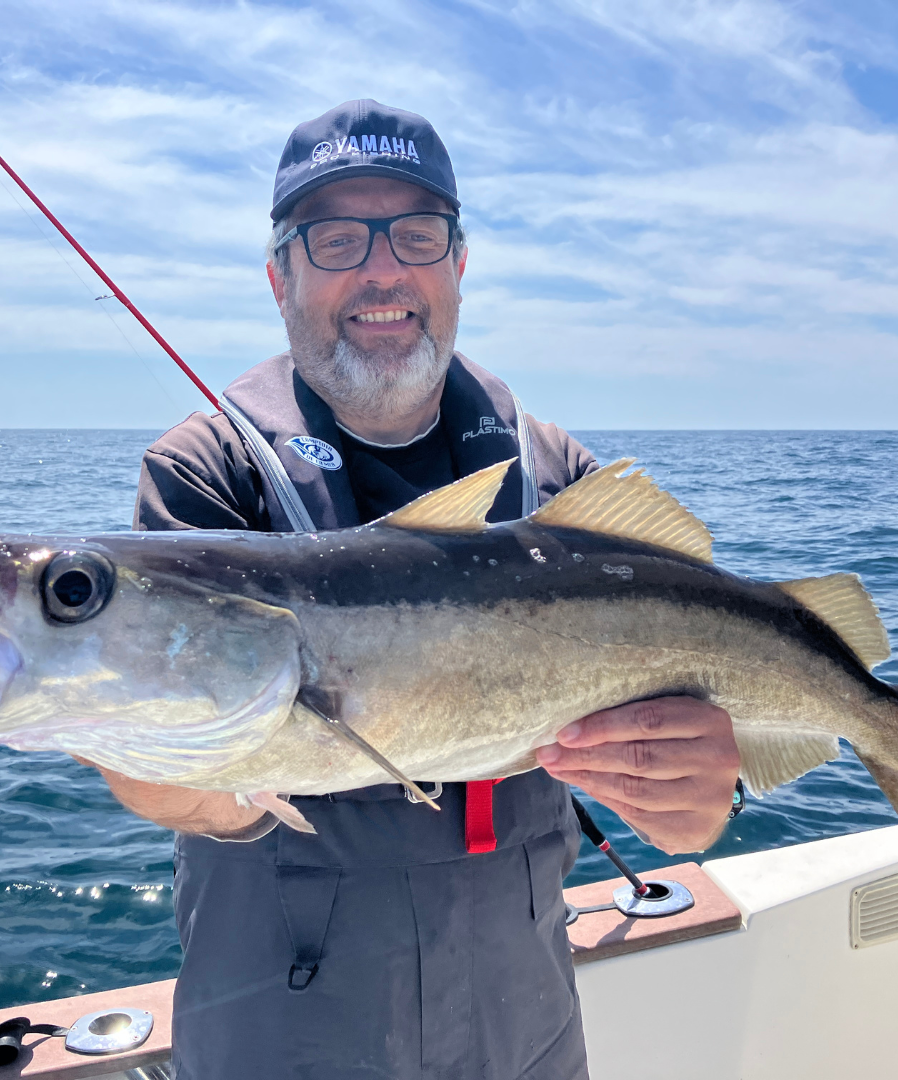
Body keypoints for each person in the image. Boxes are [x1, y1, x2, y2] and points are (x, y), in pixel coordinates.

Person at [91, 100, 741, 1080]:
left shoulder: (557, 477)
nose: (382, 270)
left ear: (460, 263)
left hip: (531, 1030)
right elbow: (193, 792)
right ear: (279, 277)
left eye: (417, 235)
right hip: (285, 1042)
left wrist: (697, 801)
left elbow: (699, 746)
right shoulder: (206, 474)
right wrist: (147, 757)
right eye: (337, 239)